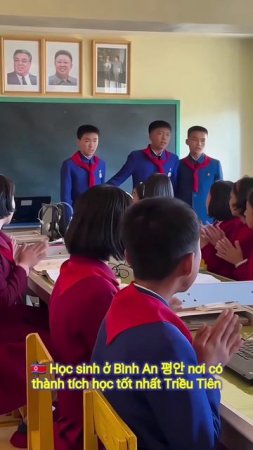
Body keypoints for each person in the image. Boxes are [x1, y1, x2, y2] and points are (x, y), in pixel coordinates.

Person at [92, 197, 241, 450]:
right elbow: (201, 443)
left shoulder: (122, 302)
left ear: (128, 256)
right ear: (187, 264)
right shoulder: (165, 343)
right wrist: (207, 369)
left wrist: (161, 310)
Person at [50, 185, 131, 450]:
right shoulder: (96, 287)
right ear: (113, 228)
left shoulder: (76, 267)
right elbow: (120, 362)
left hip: (73, 396)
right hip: (91, 415)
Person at [0, 174, 50, 447]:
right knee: (58, 339)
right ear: (7, 205)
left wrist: (17, 260)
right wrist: (23, 266)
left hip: (10, 320)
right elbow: (5, 298)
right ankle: (35, 413)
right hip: (6, 331)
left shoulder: (2, 239)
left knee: (49, 317)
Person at [202, 177, 253, 280]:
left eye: (231, 197)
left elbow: (228, 269)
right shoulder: (238, 226)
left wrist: (239, 262)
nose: (229, 202)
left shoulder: (241, 229)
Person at [107, 120, 179, 190]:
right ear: (150, 136)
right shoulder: (136, 157)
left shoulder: (173, 159)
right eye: (160, 133)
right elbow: (117, 180)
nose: (164, 138)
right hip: (142, 201)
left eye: (167, 134)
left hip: (165, 201)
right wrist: (99, 192)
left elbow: (175, 186)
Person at [176, 126, 223, 224]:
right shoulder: (179, 164)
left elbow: (220, 194)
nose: (199, 144)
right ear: (187, 141)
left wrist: (218, 217)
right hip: (182, 216)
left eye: (203, 140)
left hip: (207, 217)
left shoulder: (214, 164)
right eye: (194, 139)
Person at [60, 124, 106, 211]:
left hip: (98, 212)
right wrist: (69, 220)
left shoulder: (101, 164)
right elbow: (65, 197)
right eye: (87, 141)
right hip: (77, 213)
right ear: (78, 142)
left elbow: (102, 192)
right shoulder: (69, 165)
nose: (92, 145)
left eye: (95, 140)